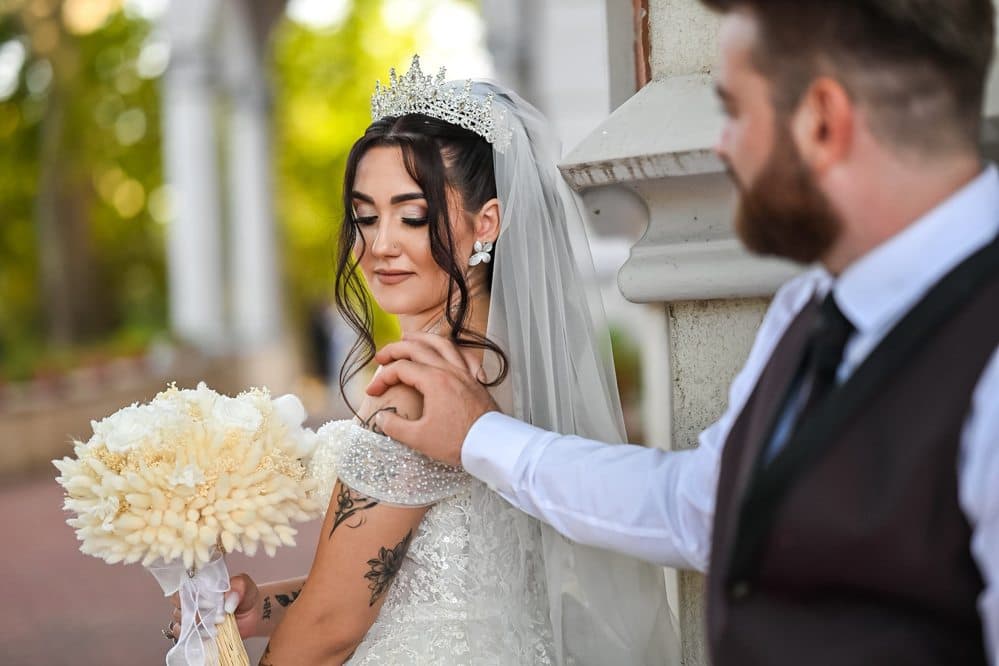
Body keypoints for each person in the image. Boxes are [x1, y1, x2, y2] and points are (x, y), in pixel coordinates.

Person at [367, 2, 999, 665]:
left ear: (821, 121)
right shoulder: (807, 311)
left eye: (733, 110)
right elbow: (693, 506)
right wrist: (481, 436)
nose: (719, 144)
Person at [168, 57, 677, 664]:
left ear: (487, 222)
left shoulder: (416, 388)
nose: (380, 244)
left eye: (412, 216)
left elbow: (332, 625)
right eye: (365, 216)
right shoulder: (511, 360)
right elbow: (416, 582)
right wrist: (270, 606)